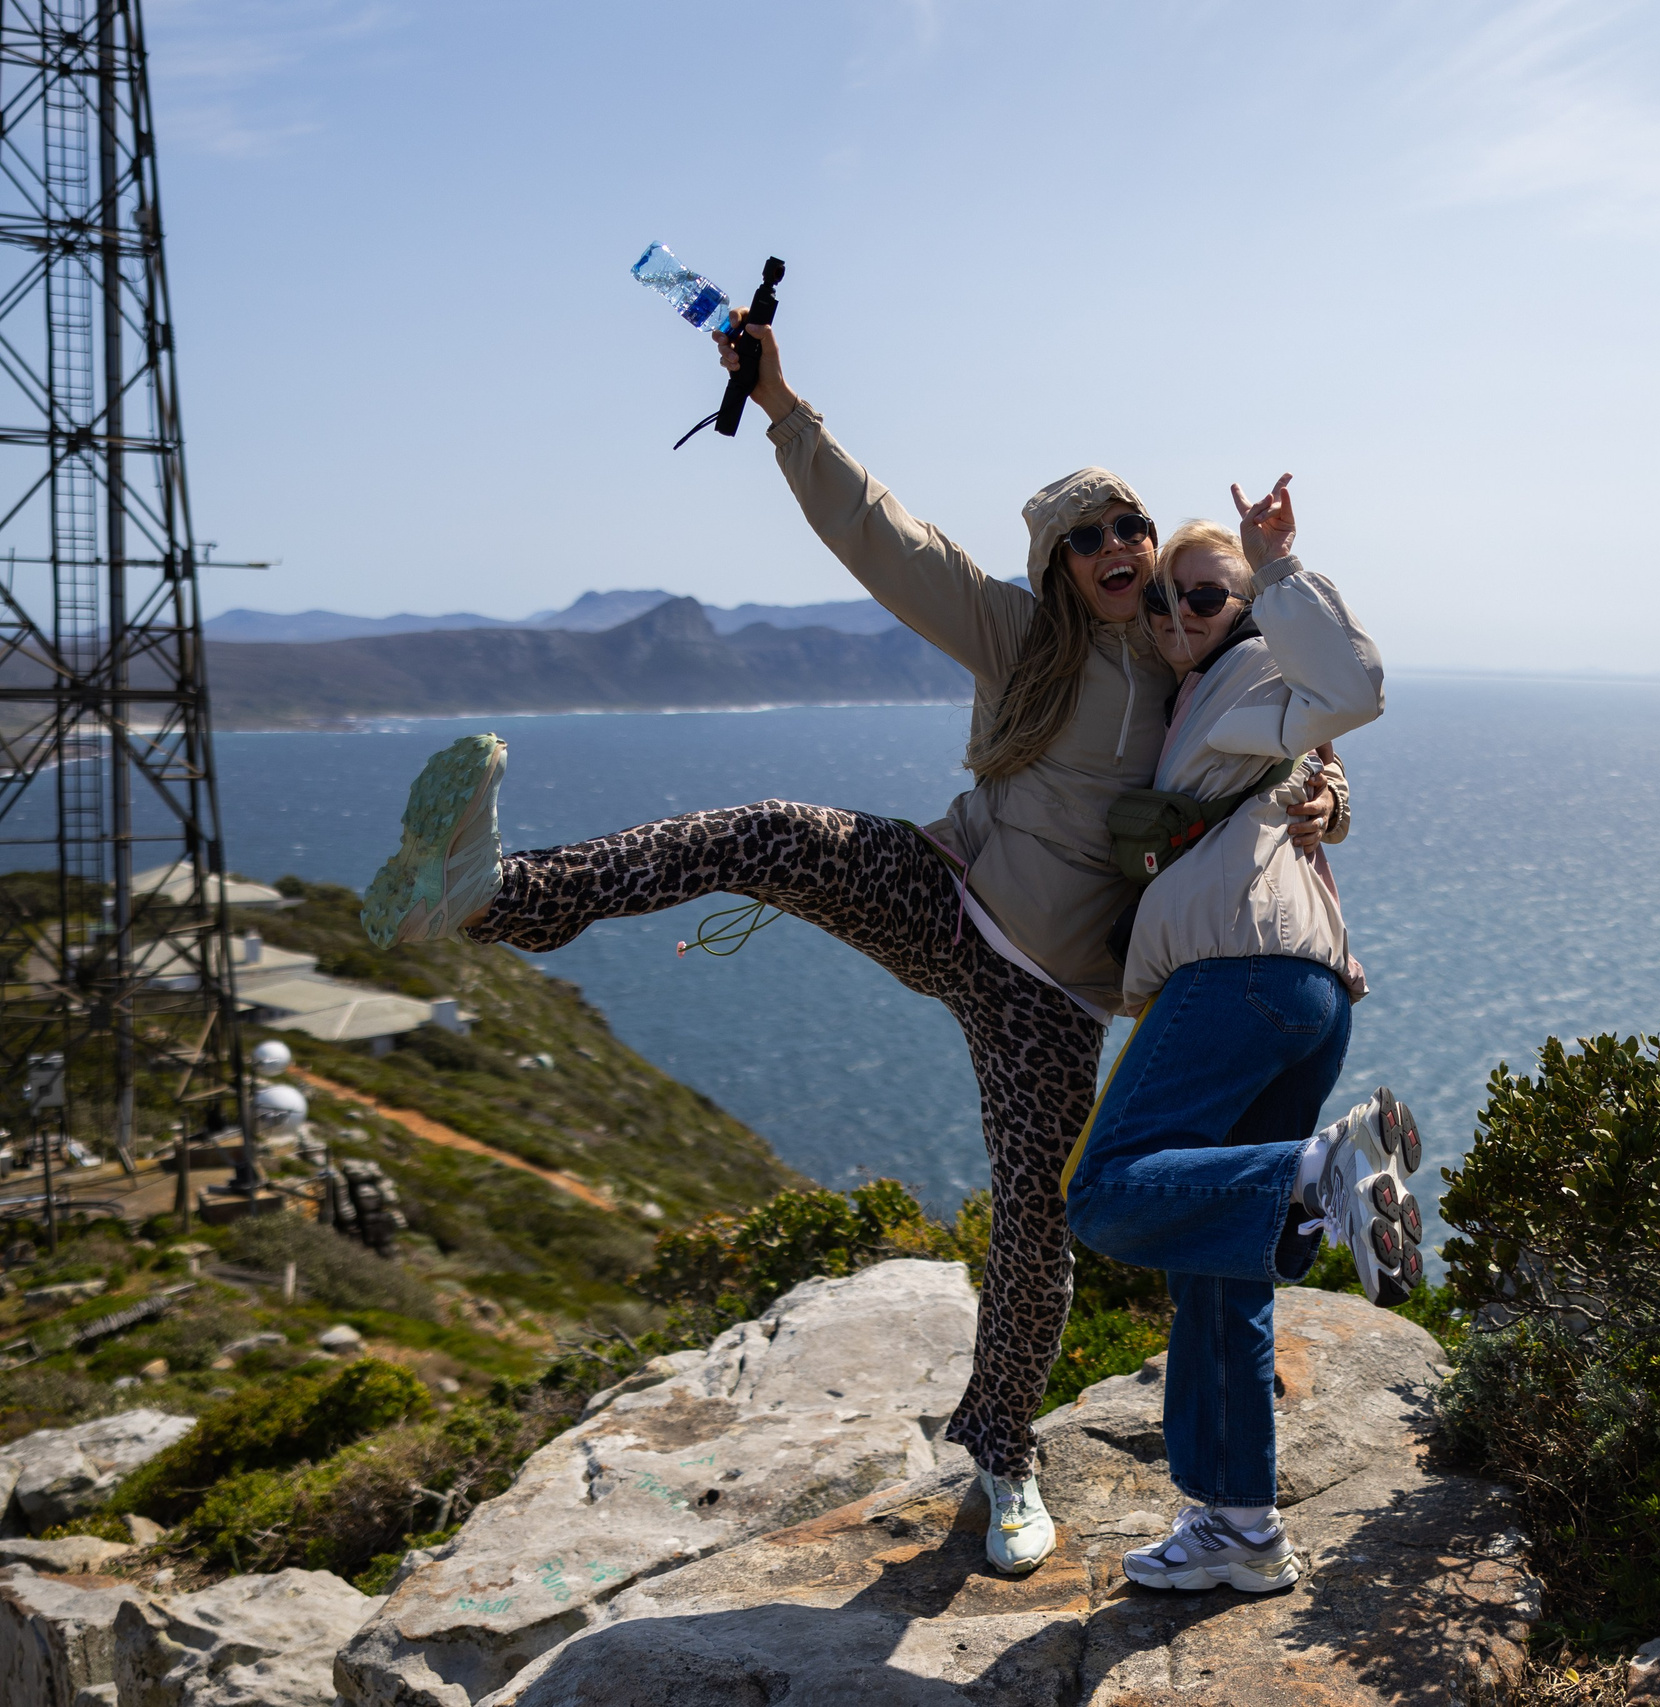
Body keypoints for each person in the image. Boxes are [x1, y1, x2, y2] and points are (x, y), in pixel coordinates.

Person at [354, 324, 1340, 1577]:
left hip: (1051, 992)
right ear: (1052, 563)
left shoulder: (1199, 654)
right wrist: (782, 407)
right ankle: (495, 897)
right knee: (773, 831)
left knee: (1035, 1230)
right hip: (947, 895)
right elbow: (879, 532)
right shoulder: (1015, 635)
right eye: (1081, 536)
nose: (1111, 549)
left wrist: (1326, 793)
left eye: (1125, 527)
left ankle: (1003, 1457)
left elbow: (1288, 738)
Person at [1061, 486, 1423, 1595]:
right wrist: (1326, 796)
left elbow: (1352, 690)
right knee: (1220, 1272)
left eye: (1209, 596)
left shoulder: (1249, 677)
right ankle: (1239, 1526)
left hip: (1240, 977)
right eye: (1170, 599)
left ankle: (1321, 1174)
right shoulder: (1195, 694)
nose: (1183, 612)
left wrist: (1273, 567)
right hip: (1299, 995)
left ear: (1245, 608)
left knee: (1108, 1191)